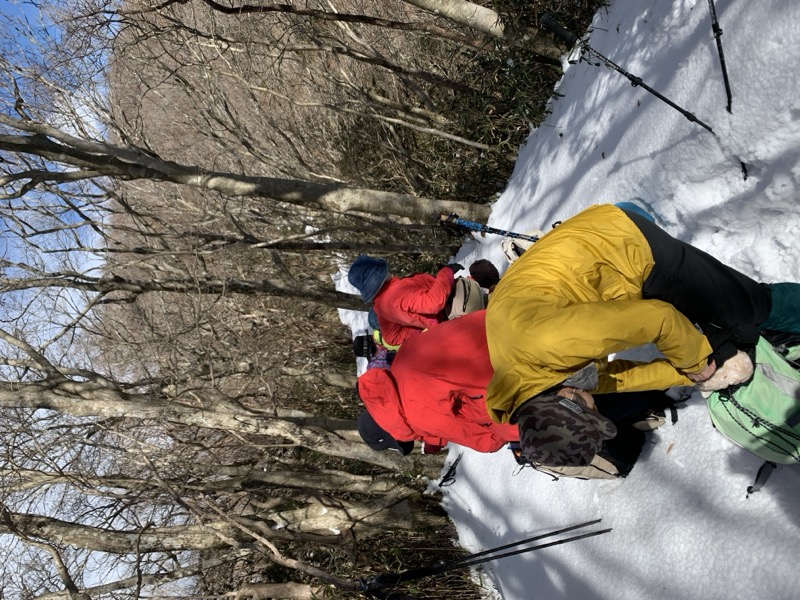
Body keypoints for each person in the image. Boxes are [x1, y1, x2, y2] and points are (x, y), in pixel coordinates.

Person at [485, 202, 800, 467]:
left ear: (568, 399)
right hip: (592, 277)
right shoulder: (533, 383)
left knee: (744, 308)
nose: (596, 406)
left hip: (619, 243)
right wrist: (694, 377)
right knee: (715, 326)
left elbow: (658, 320)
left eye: (592, 410)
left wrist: (695, 362)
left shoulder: (548, 345)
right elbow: (616, 379)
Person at [347, 255, 461, 347]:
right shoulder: (395, 293)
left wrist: (418, 324)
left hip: (448, 324)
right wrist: (446, 272)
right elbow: (434, 303)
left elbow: (392, 338)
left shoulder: (380, 307)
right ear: (380, 273)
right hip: (456, 310)